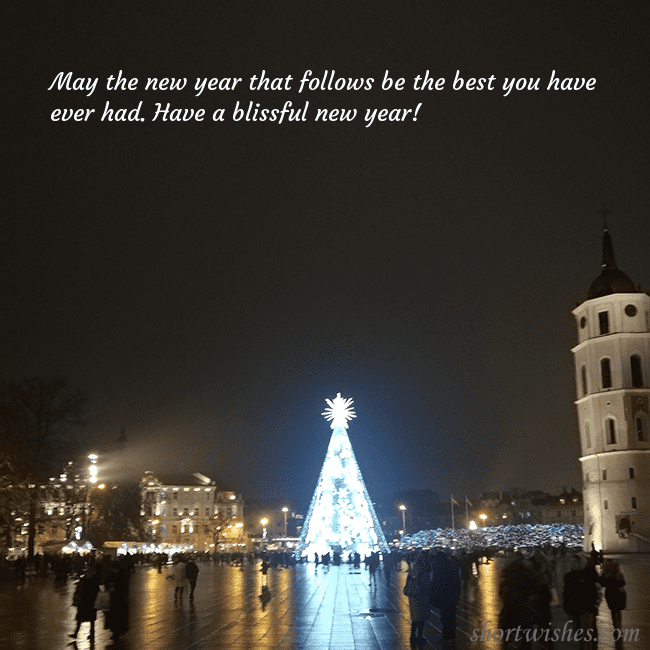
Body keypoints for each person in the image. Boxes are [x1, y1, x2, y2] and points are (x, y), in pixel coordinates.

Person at [70, 565, 101, 642]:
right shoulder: (92, 580)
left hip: (88, 602)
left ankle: (87, 634)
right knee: (84, 619)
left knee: (89, 619)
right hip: (86, 602)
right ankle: (77, 633)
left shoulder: (90, 580)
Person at [406, 554, 432, 643]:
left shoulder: (412, 571)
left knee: (415, 618)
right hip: (422, 597)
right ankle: (420, 635)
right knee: (421, 618)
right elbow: (427, 585)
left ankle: (412, 635)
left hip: (413, 598)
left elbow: (407, 584)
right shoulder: (424, 572)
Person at [600, 559, 626, 632]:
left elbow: (602, 583)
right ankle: (618, 626)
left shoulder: (606, 574)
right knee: (617, 611)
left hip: (611, 594)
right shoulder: (617, 573)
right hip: (617, 594)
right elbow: (623, 583)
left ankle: (616, 627)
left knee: (614, 611)